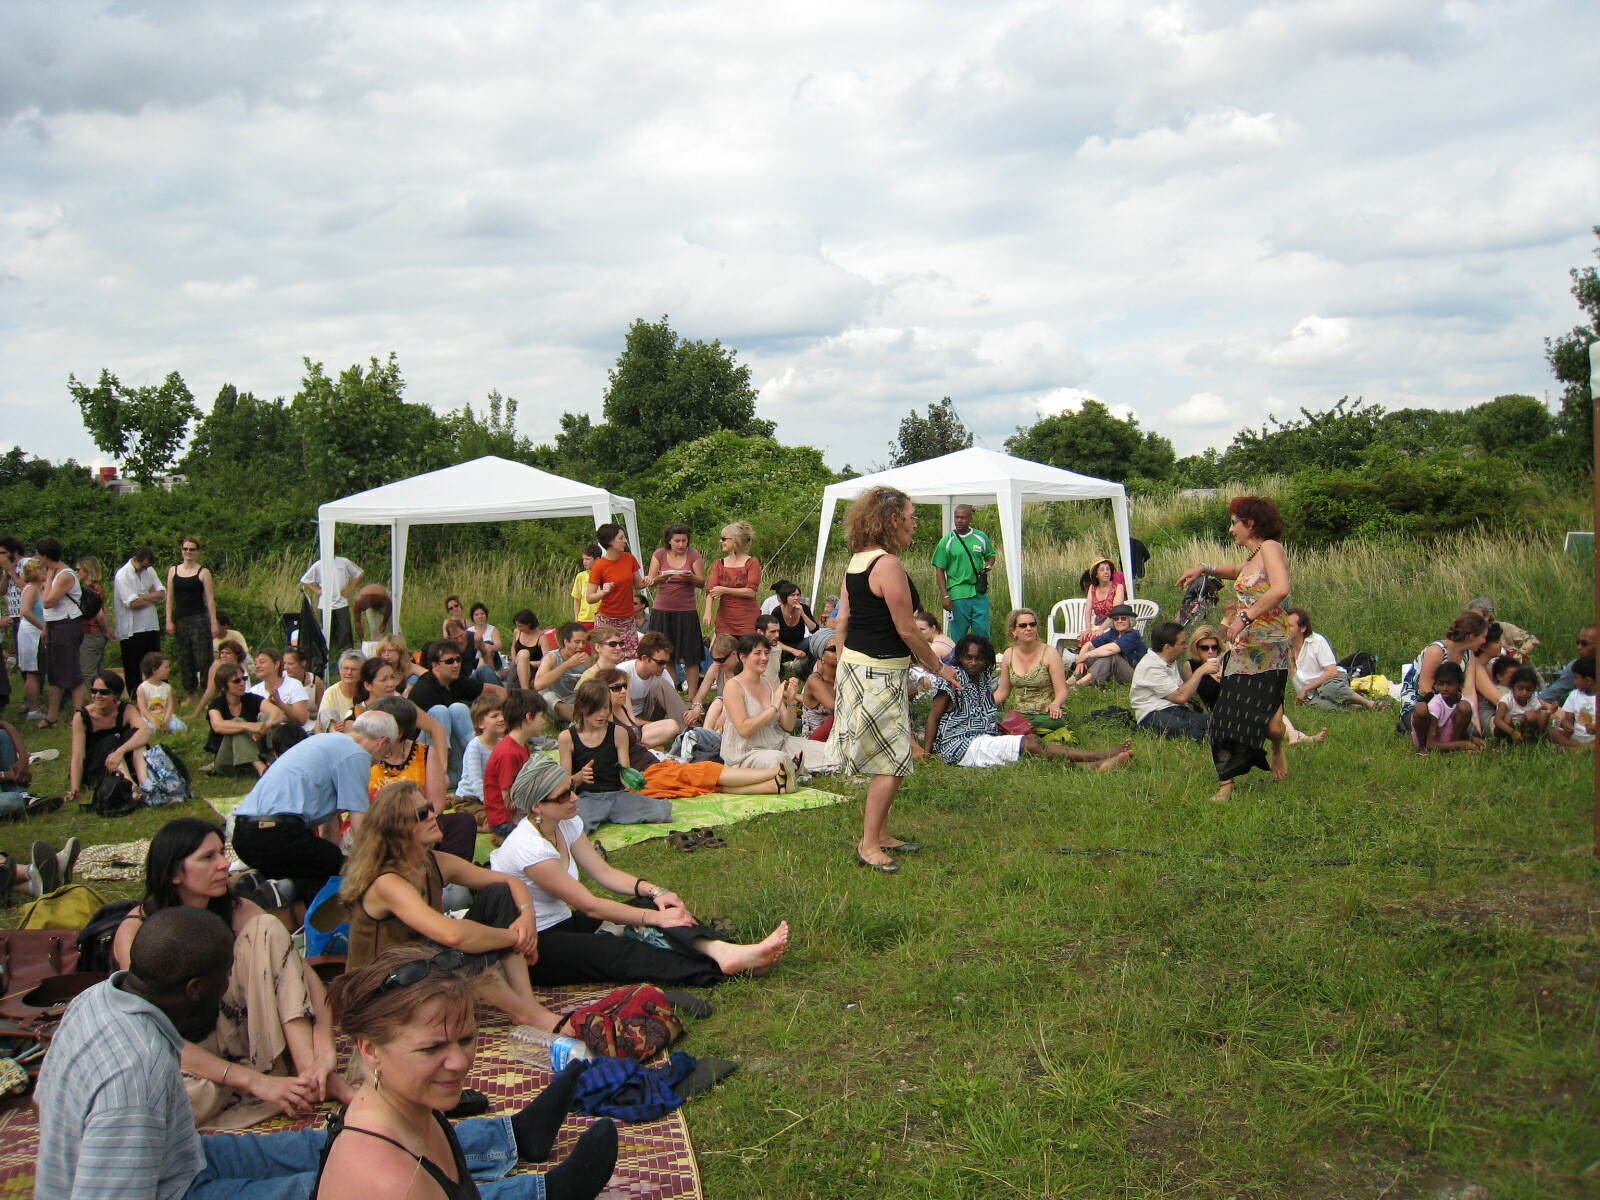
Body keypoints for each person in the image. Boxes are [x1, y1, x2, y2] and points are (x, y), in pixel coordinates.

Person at [38, 906, 606, 1200]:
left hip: (178, 1160)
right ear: (193, 988)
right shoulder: (133, 1078)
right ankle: (539, 1193)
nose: (230, 994)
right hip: (168, 1189)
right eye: (224, 982)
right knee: (329, 1187)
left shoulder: (100, 1000)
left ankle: (514, 1137)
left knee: (314, 1146)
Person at [314, 944, 619, 1200]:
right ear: (371, 1050)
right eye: (432, 1048)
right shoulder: (393, 1183)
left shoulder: (416, 1107)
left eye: (466, 1039)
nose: (459, 1063)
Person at [110, 818, 353, 1127]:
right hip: (181, 1054)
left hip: (234, 1035)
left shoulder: (236, 908)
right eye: (207, 857)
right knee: (165, 1103)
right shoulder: (138, 933)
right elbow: (150, 1033)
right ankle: (257, 1085)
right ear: (174, 873)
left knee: (267, 928)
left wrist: (324, 1056)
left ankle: (313, 1078)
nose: (224, 864)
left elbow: (304, 978)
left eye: (221, 853)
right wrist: (251, 1080)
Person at [492, 756, 791, 985]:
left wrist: (656, 892)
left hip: (563, 922)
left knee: (650, 905)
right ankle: (720, 970)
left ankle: (723, 951)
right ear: (537, 807)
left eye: (571, 788)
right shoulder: (530, 848)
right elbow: (590, 905)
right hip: (535, 945)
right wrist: (656, 918)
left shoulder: (565, 822)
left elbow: (603, 872)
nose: (574, 798)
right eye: (562, 796)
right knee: (622, 950)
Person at [341, 779, 561, 1031]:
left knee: (500, 895)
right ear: (399, 828)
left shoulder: (432, 861)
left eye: (430, 807)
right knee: (456, 948)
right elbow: (453, 936)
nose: (433, 816)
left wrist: (527, 918)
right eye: (422, 814)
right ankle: (528, 1013)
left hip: (416, 967)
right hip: (378, 990)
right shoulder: (387, 882)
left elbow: (510, 881)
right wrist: (517, 937)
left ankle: (526, 1005)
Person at [827, 486, 962, 873]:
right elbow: (906, 628)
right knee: (891, 760)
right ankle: (869, 845)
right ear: (893, 519)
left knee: (891, 755)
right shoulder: (887, 564)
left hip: (860, 667)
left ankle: (882, 834)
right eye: (912, 515)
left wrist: (841, 665)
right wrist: (939, 667)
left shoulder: (858, 560)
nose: (915, 523)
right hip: (877, 672)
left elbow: (843, 620)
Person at [1176, 495, 1295, 804]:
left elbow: (1281, 589)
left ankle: (1277, 747)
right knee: (1224, 715)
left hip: (1270, 649)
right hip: (1242, 650)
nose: (1231, 529)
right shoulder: (1254, 555)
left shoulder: (1271, 548)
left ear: (1250, 523)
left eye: (1234, 523)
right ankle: (1226, 783)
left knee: (1273, 726)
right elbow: (1236, 571)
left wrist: (1244, 617)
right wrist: (1204, 568)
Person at [229, 712, 399, 903]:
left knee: (326, 863)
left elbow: (329, 828)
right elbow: (361, 825)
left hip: (244, 833)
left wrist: (329, 857)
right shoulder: (356, 753)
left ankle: (259, 881)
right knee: (348, 877)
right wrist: (379, 865)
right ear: (383, 742)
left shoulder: (325, 743)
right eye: (387, 752)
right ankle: (283, 889)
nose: (381, 760)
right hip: (276, 834)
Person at [925, 636, 1133, 769]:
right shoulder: (953, 678)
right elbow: (933, 718)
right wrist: (927, 754)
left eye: (979, 658)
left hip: (983, 740)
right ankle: (1099, 755)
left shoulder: (984, 679)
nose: (973, 662)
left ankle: (1094, 767)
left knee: (1030, 755)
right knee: (1030, 743)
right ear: (960, 658)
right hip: (960, 745)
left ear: (987, 660)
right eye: (968, 657)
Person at [558, 678, 674, 833]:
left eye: (606, 708)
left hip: (617, 796)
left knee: (661, 812)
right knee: (573, 827)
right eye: (596, 709)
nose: (602, 714)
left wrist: (630, 779)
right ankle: (603, 816)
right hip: (587, 797)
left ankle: (612, 815)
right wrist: (579, 777)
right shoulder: (567, 738)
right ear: (582, 708)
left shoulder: (618, 733)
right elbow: (564, 784)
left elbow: (624, 771)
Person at [720, 632, 836, 776]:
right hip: (747, 753)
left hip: (779, 743)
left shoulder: (770, 683)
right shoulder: (733, 686)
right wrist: (773, 707)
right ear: (743, 657)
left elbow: (788, 726)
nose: (764, 658)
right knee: (779, 760)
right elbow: (744, 730)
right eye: (758, 653)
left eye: (766, 652)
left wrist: (791, 701)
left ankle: (799, 770)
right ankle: (795, 771)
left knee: (829, 751)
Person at [410, 639, 506, 788]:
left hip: (456, 762)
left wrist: (504, 718)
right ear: (435, 665)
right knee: (439, 711)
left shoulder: (455, 681)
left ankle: (487, 759)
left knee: (458, 708)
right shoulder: (424, 690)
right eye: (449, 661)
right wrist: (442, 769)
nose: (456, 665)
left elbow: (497, 690)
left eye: (458, 659)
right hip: (427, 760)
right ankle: (440, 774)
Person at [1398, 611, 1489, 741]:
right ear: (1472, 637)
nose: (1484, 641)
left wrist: (1474, 721)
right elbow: (1425, 688)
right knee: (1432, 728)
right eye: (1483, 637)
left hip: (1449, 703)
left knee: (1473, 734)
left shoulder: (1469, 655)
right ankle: (1410, 728)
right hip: (1422, 703)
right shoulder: (1437, 651)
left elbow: (1468, 691)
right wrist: (1444, 714)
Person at [67, 668, 151, 802]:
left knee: (135, 734)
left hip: (123, 761)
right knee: (110, 741)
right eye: (94, 691)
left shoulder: (127, 709)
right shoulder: (81, 716)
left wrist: (120, 752)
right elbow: (78, 757)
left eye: (104, 692)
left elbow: (145, 732)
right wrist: (74, 790)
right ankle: (132, 788)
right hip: (98, 767)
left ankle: (146, 784)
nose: (97, 695)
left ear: (115, 695)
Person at [642, 523, 705, 696]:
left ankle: (692, 697)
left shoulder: (694, 554)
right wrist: (661, 578)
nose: (681, 544)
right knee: (665, 652)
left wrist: (691, 577)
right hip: (663, 609)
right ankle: (672, 693)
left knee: (691, 655)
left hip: (686, 610)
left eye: (684, 540)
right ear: (669, 541)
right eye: (677, 541)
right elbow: (651, 580)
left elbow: (701, 582)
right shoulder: (659, 554)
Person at [1130, 623, 1216, 741]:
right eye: (1182, 643)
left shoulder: (1169, 660)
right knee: (1193, 732)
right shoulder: (1150, 666)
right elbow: (1180, 697)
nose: (1185, 647)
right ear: (1168, 648)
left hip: (1174, 708)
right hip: (1152, 714)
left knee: (1213, 723)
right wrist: (1200, 671)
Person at [483, 688, 547, 840]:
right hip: (506, 819)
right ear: (529, 717)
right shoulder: (509, 753)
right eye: (542, 716)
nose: (544, 722)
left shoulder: (521, 745)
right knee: (544, 835)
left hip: (517, 810)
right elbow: (507, 796)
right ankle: (503, 837)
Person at [616, 630, 702, 742]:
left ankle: (691, 733)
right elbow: (616, 714)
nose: (665, 666)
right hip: (624, 721)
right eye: (660, 662)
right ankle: (690, 735)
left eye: (666, 662)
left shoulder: (662, 675)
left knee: (660, 683)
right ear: (645, 659)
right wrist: (657, 726)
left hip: (649, 715)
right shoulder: (623, 672)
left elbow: (673, 705)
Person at [36, 536, 87, 726]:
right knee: (55, 673)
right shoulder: (56, 573)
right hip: (55, 625)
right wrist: (46, 627)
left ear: (45, 556)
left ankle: (79, 715)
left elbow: (48, 601)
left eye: (38, 555)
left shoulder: (65, 575)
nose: (37, 559)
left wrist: (48, 578)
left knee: (71, 670)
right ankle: (52, 716)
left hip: (67, 625)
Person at [1288, 608, 1379, 711]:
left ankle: (1370, 703)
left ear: (1303, 628)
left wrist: (1305, 689)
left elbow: (1332, 672)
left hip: (1331, 681)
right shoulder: (1283, 648)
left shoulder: (1316, 641)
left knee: (1328, 689)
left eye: (1289, 626)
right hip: (1312, 693)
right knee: (1320, 706)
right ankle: (1355, 705)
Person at [930, 504, 996, 641]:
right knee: (958, 635)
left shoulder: (980, 537)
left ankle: (983, 655)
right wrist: (945, 595)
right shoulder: (947, 541)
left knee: (982, 631)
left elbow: (990, 555)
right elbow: (939, 569)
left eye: (963, 518)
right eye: (957, 517)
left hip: (979, 591)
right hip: (958, 592)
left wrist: (988, 564)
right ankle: (958, 655)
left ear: (970, 519)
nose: (959, 521)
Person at [166, 536, 219, 696]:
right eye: (185, 549)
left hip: (199, 618)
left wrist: (213, 622)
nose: (188, 552)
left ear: (198, 552)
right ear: (181, 550)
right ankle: (190, 692)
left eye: (191, 549)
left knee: (203, 656)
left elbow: (210, 599)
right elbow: (170, 597)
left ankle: (207, 691)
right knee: (185, 656)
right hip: (180, 618)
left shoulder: (203, 572)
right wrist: (168, 620)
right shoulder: (173, 570)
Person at [585, 523, 645, 661]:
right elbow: (589, 597)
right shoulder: (599, 566)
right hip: (607, 620)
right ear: (609, 541)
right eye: (621, 538)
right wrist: (603, 592)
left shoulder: (629, 559)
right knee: (608, 659)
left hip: (628, 620)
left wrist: (655, 578)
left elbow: (639, 584)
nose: (625, 541)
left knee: (630, 659)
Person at [205, 661, 271, 776]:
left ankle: (271, 758)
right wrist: (248, 726)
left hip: (252, 752)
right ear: (223, 686)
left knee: (266, 717)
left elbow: (277, 712)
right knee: (237, 723)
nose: (242, 683)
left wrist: (266, 726)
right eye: (237, 681)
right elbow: (217, 725)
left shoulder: (251, 698)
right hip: (227, 761)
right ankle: (262, 770)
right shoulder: (217, 704)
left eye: (244, 679)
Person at [113, 546, 166, 687]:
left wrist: (142, 596)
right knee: (134, 667)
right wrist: (152, 597)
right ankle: (135, 694)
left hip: (151, 625)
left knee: (155, 663)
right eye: (142, 566)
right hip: (132, 629)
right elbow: (133, 603)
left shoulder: (149, 570)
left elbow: (162, 594)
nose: (144, 569)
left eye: (147, 567)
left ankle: (158, 692)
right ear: (135, 559)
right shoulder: (123, 575)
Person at [1410, 663, 1484, 754]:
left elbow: (1454, 727)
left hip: (1446, 738)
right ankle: (1423, 749)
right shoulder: (1436, 704)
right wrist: (1462, 744)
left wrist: (1473, 739)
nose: (1445, 688)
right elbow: (1431, 744)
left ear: (1460, 684)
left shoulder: (1466, 703)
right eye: (1440, 684)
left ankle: (1453, 747)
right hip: (1430, 741)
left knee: (1465, 706)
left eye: (1450, 684)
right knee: (1421, 708)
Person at [1068, 603, 1147, 688]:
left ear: (1130, 621)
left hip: (1134, 675)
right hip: (1116, 672)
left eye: (1123, 618)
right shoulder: (1113, 632)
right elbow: (1088, 644)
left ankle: (1080, 685)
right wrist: (1081, 661)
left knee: (1111, 655)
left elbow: (1112, 649)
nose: (1119, 621)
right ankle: (1072, 680)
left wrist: (1086, 655)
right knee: (1093, 649)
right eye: (1116, 619)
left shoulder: (1133, 635)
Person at [705, 520, 761, 637]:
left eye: (724, 539)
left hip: (747, 620)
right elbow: (711, 590)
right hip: (725, 619)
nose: (721, 541)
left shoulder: (752, 563)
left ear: (735, 541)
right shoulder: (719, 564)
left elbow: (751, 591)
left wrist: (725, 590)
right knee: (723, 647)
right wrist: (708, 612)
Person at [251, 646, 312, 749]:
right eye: (255, 663)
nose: (257, 666)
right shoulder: (254, 691)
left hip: (290, 736)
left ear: (276, 664)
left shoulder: (294, 685)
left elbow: (301, 720)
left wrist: (279, 703)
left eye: (262, 662)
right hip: (262, 735)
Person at [300, 554, 364, 652]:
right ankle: (330, 653)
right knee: (328, 632)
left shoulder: (344, 562)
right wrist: (317, 590)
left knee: (345, 630)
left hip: (341, 602)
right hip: (325, 604)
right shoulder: (319, 564)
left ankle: (346, 652)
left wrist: (350, 589)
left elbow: (360, 573)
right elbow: (304, 580)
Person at [534, 622, 594, 724]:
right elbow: (539, 684)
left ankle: (576, 723)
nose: (581, 646)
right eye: (577, 642)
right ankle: (579, 723)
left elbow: (594, 683)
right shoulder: (552, 657)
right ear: (566, 641)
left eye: (584, 642)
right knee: (549, 697)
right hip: (554, 703)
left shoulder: (585, 658)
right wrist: (568, 664)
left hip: (575, 701)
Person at [458, 692, 505, 803]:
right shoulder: (474, 747)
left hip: (493, 794)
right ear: (480, 724)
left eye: (503, 714)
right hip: (470, 798)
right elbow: (476, 781)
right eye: (494, 716)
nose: (501, 718)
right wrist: (491, 804)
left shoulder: (503, 744)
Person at [1466, 596, 1540, 663]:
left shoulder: (1504, 627)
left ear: (1487, 616)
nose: (1471, 618)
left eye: (1475, 616)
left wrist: (1519, 654)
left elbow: (1529, 640)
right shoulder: (1468, 630)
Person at [1539, 625, 1596, 710]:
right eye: (1578, 643)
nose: (1579, 647)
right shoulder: (1577, 667)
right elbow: (1546, 697)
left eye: (1584, 644)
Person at [75, 555, 113, 683]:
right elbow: (104, 609)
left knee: (88, 673)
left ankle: (92, 695)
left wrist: (106, 631)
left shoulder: (91, 590)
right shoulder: (98, 587)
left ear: (87, 571)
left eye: (79, 570)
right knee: (99, 671)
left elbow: (99, 614)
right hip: (96, 634)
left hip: (91, 633)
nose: (76, 572)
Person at [770, 580, 819, 676]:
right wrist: (793, 651)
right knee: (775, 649)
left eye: (798, 595)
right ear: (785, 597)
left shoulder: (804, 608)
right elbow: (774, 639)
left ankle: (812, 670)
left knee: (815, 639)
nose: (796, 598)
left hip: (799, 643)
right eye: (792, 595)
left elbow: (814, 630)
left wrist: (803, 614)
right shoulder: (777, 612)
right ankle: (785, 666)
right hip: (783, 647)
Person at [1077, 557, 1127, 646]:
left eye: (1108, 569)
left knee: (1096, 639)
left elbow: (1115, 612)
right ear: (1096, 574)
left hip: (1115, 623)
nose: (1106, 572)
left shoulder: (1118, 587)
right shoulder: (1092, 588)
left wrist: (1101, 629)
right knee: (1086, 637)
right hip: (1099, 623)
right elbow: (1088, 610)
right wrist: (1088, 628)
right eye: (1102, 570)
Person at [1494, 665, 1550, 743]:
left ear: (1534, 689)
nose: (1524, 693)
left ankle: (1527, 742)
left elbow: (1540, 728)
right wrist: (1512, 732)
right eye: (1520, 688)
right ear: (1512, 687)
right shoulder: (1506, 700)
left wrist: (1548, 714)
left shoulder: (1534, 701)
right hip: (1507, 731)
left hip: (1524, 732)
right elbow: (1497, 720)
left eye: (1529, 689)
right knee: (1507, 719)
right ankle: (1506, 743)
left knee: (1531, 715)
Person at [1550, 655, 1596, 750]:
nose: (1574, 682)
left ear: (1588, 680)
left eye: (1576, 678)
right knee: (1553, 732)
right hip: (1576, 737)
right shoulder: (1574, 695)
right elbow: (1568, 720)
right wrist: (1567, 727)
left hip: (1595, 738)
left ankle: (1581, 748)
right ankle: (1583, 747)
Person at [137, 651, 188, 734]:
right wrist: (153, 721)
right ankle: (161, 731)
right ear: (154, 670)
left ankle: (167, 729)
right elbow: (142, 709)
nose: (169, 670)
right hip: (149, 718)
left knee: (180, 728)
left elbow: (169, 706)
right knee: (149, 729)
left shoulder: (167, 687)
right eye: (166, 667)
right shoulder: (142, 688)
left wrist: (165, 721)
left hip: (165, 716)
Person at [507, 608, 556, 690]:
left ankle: (525, 690)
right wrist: (514, 658)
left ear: (529, 624)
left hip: (533, 668)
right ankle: (524, 689)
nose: (518, 628)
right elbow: (513, 647)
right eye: (517, 626)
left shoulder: (541, 638)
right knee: (522, 654)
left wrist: (526, 663)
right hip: (516, 665)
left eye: (520, 626)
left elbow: (547, 660)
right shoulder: (517, 632)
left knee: (524, 654)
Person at [800, 638, 839, 739]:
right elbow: (836, 708)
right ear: (821, 655)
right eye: (833, 649)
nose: (839, 652)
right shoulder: (815, 680)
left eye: (841, 648)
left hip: (837, 735)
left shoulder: (841, 676)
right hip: (815, 740)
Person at [319, 650, 366, 733]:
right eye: (345, 668)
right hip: (335, 733)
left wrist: (348, 723)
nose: (349, 672)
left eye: (354, 669)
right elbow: (321, 721)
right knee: (326, 712)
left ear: (362, 672)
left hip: (359, 732)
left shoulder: (368, 691)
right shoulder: (331, 692)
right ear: (340, 670)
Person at [1182, 625, 1226, 711]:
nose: (1210, 651)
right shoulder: (1191, 666)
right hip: (1216, 713)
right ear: (1196, 648)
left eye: (1214, 647)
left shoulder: (1226, 661)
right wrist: (1201, 671)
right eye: (1204, 648)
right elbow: (1186, 695)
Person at [285, 646, 327, 724]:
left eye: (290, 664)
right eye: (285, 663)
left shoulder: (315, 681)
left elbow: (322, 708)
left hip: (311, 722)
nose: (286, 667)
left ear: (303, 663)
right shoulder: (281, 679)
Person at [570, 543, 602, 627]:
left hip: (600, 618)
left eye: (588, 559)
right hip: (584, 619)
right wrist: (576, 618)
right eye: (583, 559)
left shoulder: (604, 576)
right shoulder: (580, 576)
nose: (584, 562)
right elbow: (577, 599)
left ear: (597, 560)